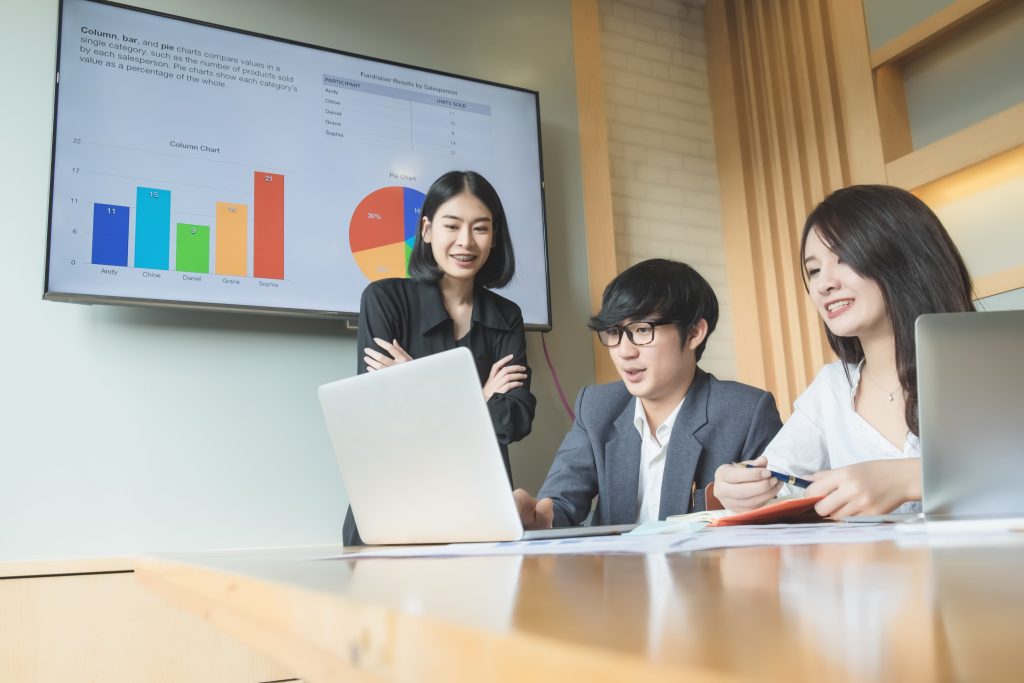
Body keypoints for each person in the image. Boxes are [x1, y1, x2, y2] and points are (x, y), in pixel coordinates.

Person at [713, 184, 975, 518]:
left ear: (906, 258)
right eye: (813, 270)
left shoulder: (992, 363)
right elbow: (777, 482)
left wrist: (912, 477)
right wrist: (740, 486)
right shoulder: (831, 388)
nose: (823, 283)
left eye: (845, 258)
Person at [514, 259, 783, 529]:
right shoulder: (597, 407)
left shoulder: (746, 412)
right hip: (616, 570)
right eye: (614, 332)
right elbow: (560, 503)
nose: (624, 351)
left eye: (642, 330)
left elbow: (783, 513)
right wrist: (540, 518)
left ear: (693, 333)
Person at [344, 170, 536, 545]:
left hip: (477, 508)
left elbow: (514, 420)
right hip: (392, 506)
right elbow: (380, 416)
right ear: (428, 230)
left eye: (480, 228)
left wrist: (414, 379)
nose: (466, 241)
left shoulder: (506, 316)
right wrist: (479, 397)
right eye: (452, 226)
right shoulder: (384, 300)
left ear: (494, 236)